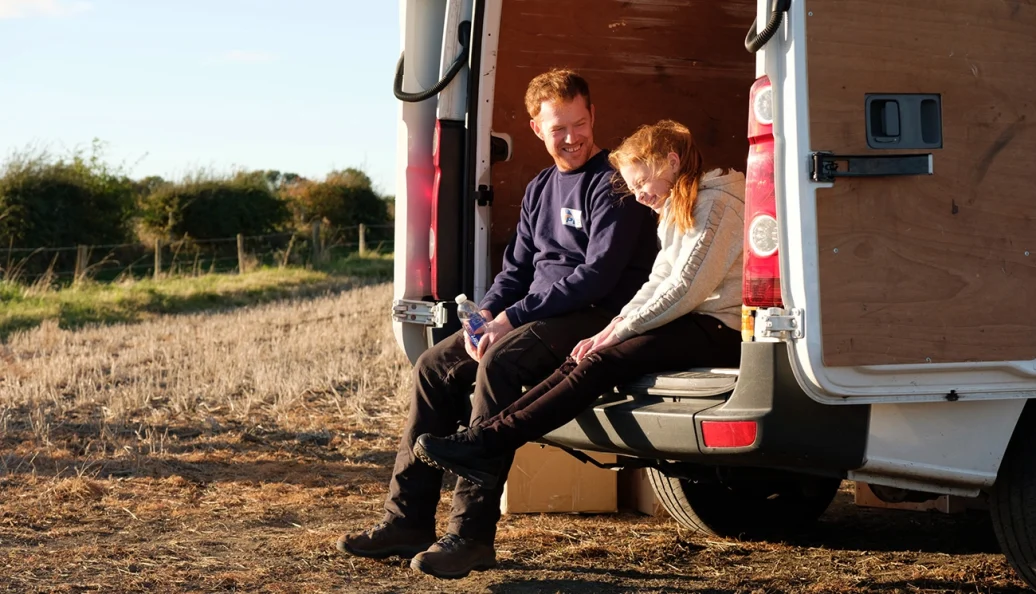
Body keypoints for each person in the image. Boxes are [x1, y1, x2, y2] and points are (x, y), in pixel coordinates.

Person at [336, 69, 658, 580]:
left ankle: (470, 535)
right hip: (538, 313)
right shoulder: (540, 188)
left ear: (593, 115)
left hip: (597, 315)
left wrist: (513, 318)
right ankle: (407, 520)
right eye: (559, 129)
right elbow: (517, 269)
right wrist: (485, 313)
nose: (572, 137)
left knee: (501, 365)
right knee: (432, 366)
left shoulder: (614, 183)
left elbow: (597, 276)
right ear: (536, 128)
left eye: (579, 123)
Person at [412, 120, 746, 492]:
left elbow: (683, 289)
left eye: (640, 184)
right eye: (633, 187)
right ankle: (485, 440)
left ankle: (486, 442)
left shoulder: (718, 205)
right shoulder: (680, 205)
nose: (638, 196)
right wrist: (611, 328)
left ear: (670, 162)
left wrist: (617, 331)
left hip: (719, 326)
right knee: (584, 356)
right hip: (691, 320)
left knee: (603, 361)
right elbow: (658, 280)